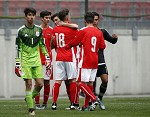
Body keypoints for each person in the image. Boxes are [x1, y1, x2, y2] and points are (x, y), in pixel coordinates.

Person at [65, 12, 106, 111]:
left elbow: (74, 42)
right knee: (90, 83)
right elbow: (103, 46)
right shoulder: (99, 32)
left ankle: (93, 98)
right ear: (93, 20)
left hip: (85, 60)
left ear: (85, 21)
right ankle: (85, 106)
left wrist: (67, 46)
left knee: (79, 83)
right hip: (95, 60)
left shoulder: (83, 31)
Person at [15, 7, 51, 115]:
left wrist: (47, 57)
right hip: (26, 61)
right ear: (25, 16)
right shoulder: (20, 31)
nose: (31, 17)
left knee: (40, 84)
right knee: (29, 84)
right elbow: (18, 48)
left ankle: (29, 98)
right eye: (29, 15)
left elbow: (42, 45)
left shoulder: (39, 30)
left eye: (33, 15)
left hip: (37, 60)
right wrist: (17, 63)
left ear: (35, 16)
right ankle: (31, 108)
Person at [51, 9, 78, 110]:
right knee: (72, 80)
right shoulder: (72, 29)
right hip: (70, 57)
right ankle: (73, 103)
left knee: (58, 81)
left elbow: (53, 43)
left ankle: (54, 103)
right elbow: (77, 38)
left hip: (59, 57)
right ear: (67, 18)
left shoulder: (55, 29)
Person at [92, 11, 118, 110]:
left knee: (105, 80)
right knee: (92, 84)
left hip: (100, 60)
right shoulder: (85, 31)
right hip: (90, 61)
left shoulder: (102, 32)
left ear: (98, 21)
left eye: (96, 20)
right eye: (93, 20)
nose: (95, 22)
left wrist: (115, 39)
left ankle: (100, 98)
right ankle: (92, 101)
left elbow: (112, 41)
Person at [34, 10, 53, 110]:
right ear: (41, 18)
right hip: (37, 60)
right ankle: (37, 104)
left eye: (49, 18)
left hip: (48, 60)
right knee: (38, 82)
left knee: (46, 82)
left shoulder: (52, 30)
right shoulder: (36, 30)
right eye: (46, 18)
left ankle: (45, 104)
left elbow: (53, 45)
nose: (48, 19)